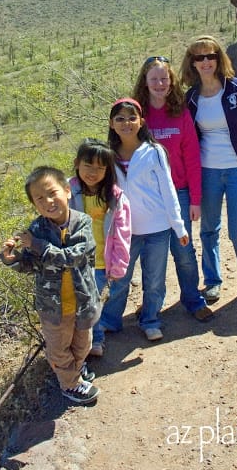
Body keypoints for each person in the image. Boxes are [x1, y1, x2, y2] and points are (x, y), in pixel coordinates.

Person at [180, 35, 237, 304]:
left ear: (219, 59)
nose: (206, 61)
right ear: (193, 63)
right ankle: (213, 282)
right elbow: (186, 138)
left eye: (211, 55)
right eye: (200, 57)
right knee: (208, 230)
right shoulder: (192, 98)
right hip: (207, 171)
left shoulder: (236, 89)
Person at [0, 166, 101, 404]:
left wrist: (39, 245)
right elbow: (32, 265)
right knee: (58, 348)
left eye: (52, 192)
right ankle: (71, 384)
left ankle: (75, 369)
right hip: (53, 306)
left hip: (83, 300)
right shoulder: (36, 230)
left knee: (83, 343)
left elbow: (75, 257)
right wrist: (12, 260)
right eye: (39, 198)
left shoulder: (83, 223)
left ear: (67, 191)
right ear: (35, 204)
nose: (48, 201)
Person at [101, 97, 189, 342]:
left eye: (132, 118)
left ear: (141, 121)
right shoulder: (107, 156)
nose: (126, 123)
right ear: (111, 123)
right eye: (120, 118)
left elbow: (168, 189)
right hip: (124, 231)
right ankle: (110, 320)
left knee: (154, 279)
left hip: (157, 228)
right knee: (120, 278)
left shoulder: (155, 151)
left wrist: (178, 226)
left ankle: (150, 320)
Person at [133, 56, 213, 322]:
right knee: (151, 257)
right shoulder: (138, 117)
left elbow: (192, 157)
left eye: (164, 79)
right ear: (145, 82)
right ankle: (150, 306)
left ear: (171, 82)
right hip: (148, 199)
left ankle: (192, 299)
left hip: (179, 195)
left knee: (184, 251)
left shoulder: (180, 113)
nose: (159, 84)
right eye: (154, 79)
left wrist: (195, 199)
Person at [68, 138, 131, 357]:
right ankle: (78, 343)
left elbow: (123, 233)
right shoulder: (68, 191)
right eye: (88, 166)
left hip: (99, 262)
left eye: (100, 168)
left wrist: (119, 264)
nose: (93, 173)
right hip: (73, 260)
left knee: (91, 302)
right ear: (77, 163)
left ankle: (96, 340)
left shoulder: (114, 197)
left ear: (108, 170)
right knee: (79, 303)